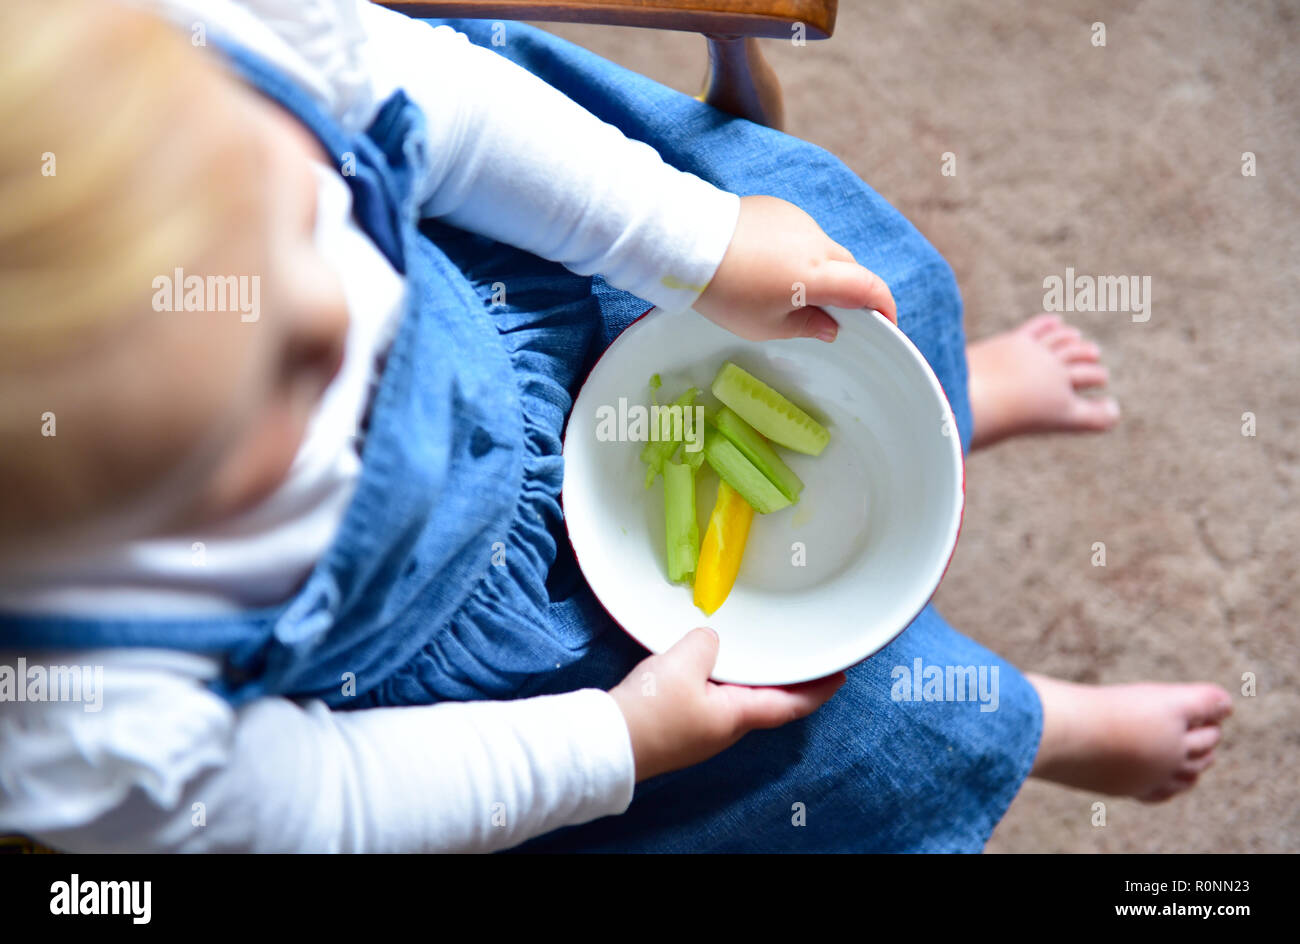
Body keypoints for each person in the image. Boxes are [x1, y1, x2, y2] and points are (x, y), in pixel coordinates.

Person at [0, 0, 1230, 853]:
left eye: (304, 229)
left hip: (525, 289)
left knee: (866, 303)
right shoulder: (81, 721)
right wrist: (612, 743)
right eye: (289, 376)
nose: (344, 305)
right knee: (849, 725)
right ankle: (1030, 722)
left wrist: (690, 245)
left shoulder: (175, 49)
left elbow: (443, 107)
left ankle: (945, 410)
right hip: (506, 660)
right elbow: (325, 804)